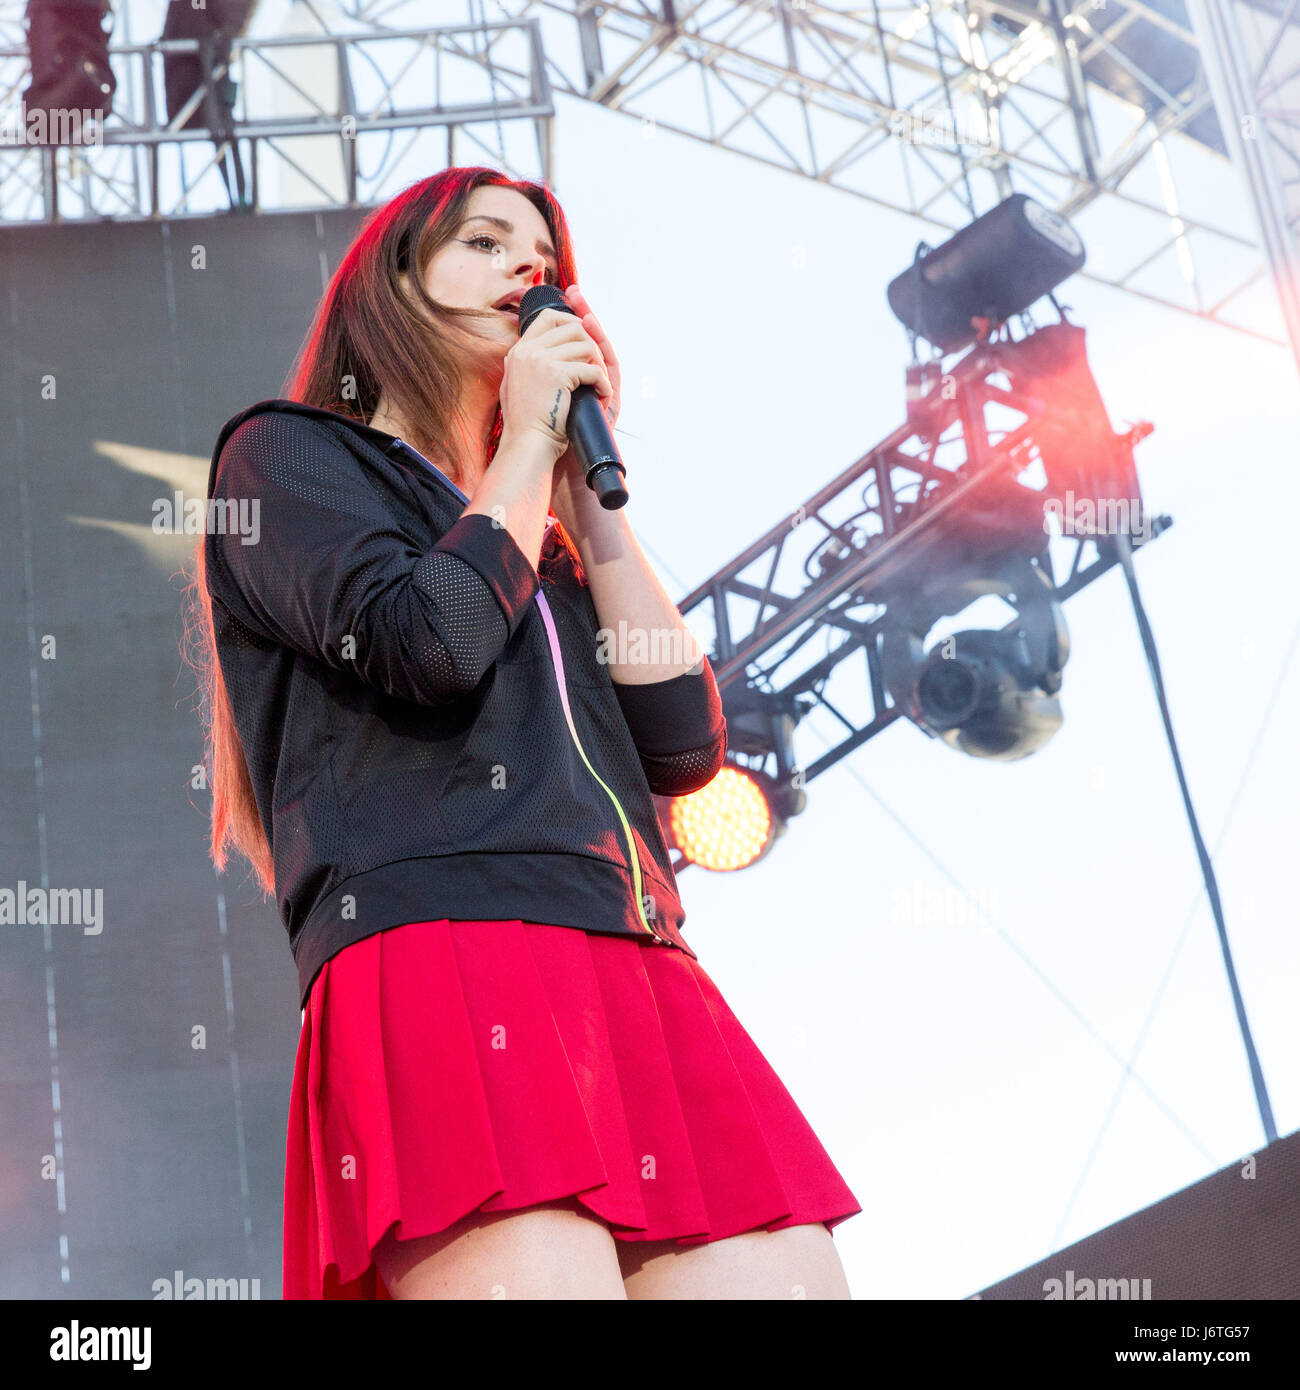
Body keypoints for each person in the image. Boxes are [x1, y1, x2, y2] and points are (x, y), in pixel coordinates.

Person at [185, 166, 861, 1299]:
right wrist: (519, 460)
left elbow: (684, 743)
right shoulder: (288, 457)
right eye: (488, 244)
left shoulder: (533, 529)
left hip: (633, 952)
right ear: (394, 283)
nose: (527, 271)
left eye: (542, 259)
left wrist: (586, 501)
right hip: (452, 948)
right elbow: (426, 643)